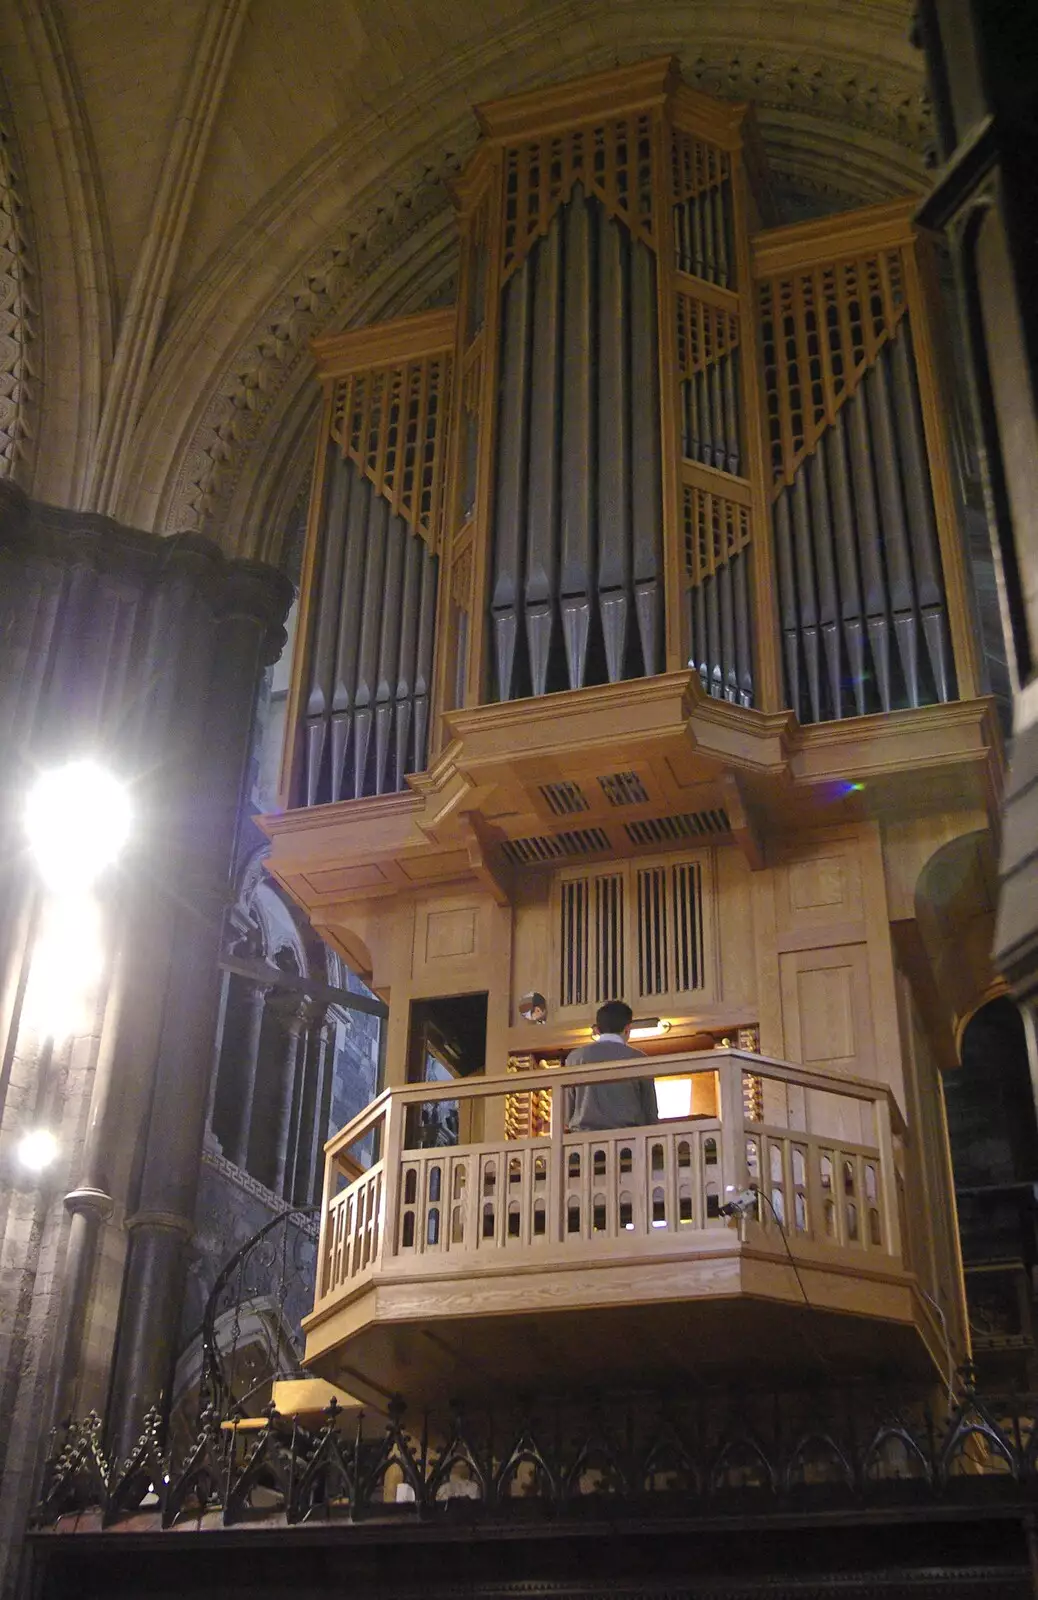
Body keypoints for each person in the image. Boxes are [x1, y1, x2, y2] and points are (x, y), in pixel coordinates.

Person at [565, 1000, 658, 1131]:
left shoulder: (575, 1058)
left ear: (596, 1030)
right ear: (627, 1029)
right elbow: (650, 1114)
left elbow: (565, 1113)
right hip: (629, 1140)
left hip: (584, 1142)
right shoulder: (639, 1059)